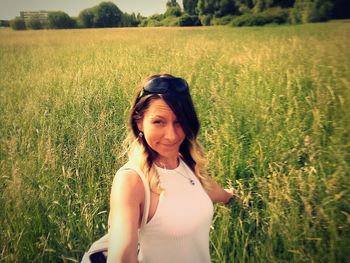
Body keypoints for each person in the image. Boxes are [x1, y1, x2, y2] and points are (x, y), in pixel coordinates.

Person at [107, 74, 236, 263]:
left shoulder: (186, 162)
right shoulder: (131, 180)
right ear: (139, 122)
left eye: (179, 122)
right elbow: (122, 257)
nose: (171, 135)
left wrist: (233, 198)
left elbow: (209, 190)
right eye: (158, 122)